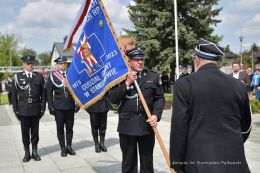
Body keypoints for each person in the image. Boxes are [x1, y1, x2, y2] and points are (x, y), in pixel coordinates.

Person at [170, 38, 251, 173]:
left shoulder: (184, 84)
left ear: (197, 59)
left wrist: (176, 163)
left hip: (199, 163)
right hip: (235, 162)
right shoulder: (238, 86)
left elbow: (179, 129)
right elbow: (246, 127)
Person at [109, 47, 165, 173]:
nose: (140, 62)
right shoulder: (119, 77)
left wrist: (156, 115)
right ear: (129, 61)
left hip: (147, 125)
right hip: (127, 126)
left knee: (147, 163)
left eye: (142, 60)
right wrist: (127, 83)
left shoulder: (152, 76)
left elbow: (159, 98)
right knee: (129, 163)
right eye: (136, 60)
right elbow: (113, 99)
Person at [12, 55, 46, 162]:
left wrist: (43, 108)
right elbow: (13, 95)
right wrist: (16, 109)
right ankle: (27, 152)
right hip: (23, 108)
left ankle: (34, 151)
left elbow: (43, 94)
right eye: (28, 63)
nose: (30, 65)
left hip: (36, 108)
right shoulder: (17, 77)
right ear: (24, 65)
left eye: (31, 63)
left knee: (35, 132)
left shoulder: (39, 76)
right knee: (25, 132)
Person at [46, 56, 77, 157]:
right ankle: (63, 147)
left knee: (69, 128)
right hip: (58, 107)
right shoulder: (52, 76)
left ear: (67, 64)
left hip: (70, 106)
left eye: (64, 63)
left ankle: (69, 146)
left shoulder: (72, 74)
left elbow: (77, 89)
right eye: (60, 63)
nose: (62, 65)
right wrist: (50, 106)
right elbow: (49, 93)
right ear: (57, 65)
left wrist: (78, 104)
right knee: (60, 129)